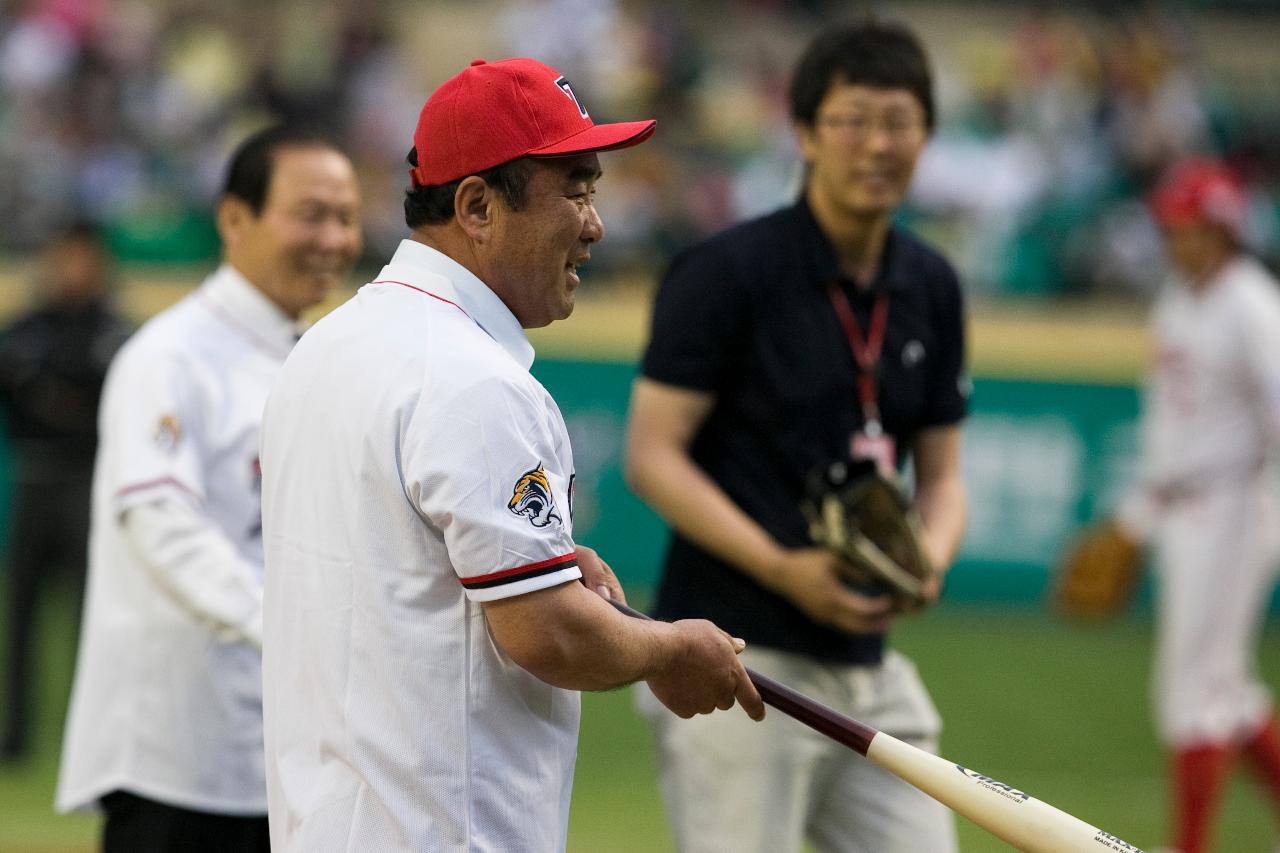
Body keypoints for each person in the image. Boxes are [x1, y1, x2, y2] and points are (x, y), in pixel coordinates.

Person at [258, 56, 764, 852]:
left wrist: (553, 564)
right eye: (577, 188)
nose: (596, 223)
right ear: (476, 205)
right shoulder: (475, 380)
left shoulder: (327, 345)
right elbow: (546, 634)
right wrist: (671, 647)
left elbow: (401, 567)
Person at [624, 20, 968, 853]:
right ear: (807, 132)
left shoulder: (931, 282)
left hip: (870, 669)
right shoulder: (726, 272)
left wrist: (929, 558)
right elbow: (651, 454)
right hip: (740, 661)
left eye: (900, 121)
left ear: (927, 135)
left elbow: (944, 474)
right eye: (853, 120)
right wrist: (783, 567)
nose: (877, 144)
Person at [55, 125, 363, 852]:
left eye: (347, 216)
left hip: (287, 752)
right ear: (233, 218)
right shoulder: (169, 356)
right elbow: (161, 520)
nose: (334, 237)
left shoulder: (317, 355)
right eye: (310, 213)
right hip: (180, 758)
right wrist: (295, 630)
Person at [1115, 157, 1280, 853]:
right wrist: (1135, 518)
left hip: (1237, 499)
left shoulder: (1250, 301)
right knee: (1229, 690)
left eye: (1186, 225)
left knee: (1192, 693)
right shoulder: (1179, 298)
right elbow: (1171, 430)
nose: (1173, 237)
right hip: (1186, 504)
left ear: (1220, 230)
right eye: (1170, 224)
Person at [0, 221, 130, 761]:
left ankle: (94, 736)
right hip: (34, 480)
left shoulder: (114, 331)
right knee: (21, 617)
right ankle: (16, 738)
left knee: (91, 617)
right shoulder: (24, 328)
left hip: (86, 483)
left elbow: (98, 404)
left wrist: (43, 389)